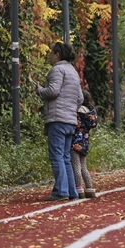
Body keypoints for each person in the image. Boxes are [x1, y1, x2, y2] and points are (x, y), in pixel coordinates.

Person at [37, 41, 84, 202]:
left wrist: (40, 90)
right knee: (65, 157)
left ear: (57, 54)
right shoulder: (73, 72)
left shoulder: (57, 70)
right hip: (70, 121)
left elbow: (53, 91)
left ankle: (60, 191)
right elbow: (80, 98)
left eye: (52, 53)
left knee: (56, 156)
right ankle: (72, 191)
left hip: (57, 119)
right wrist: (70, 108)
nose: (50, 55)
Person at [71, 90, 98, 199]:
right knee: (84, 167)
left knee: (76, 166)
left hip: (75, 141)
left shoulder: (77, 110)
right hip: (85, 141)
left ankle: (79, 188)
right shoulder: (91, 112)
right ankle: (89, 188)